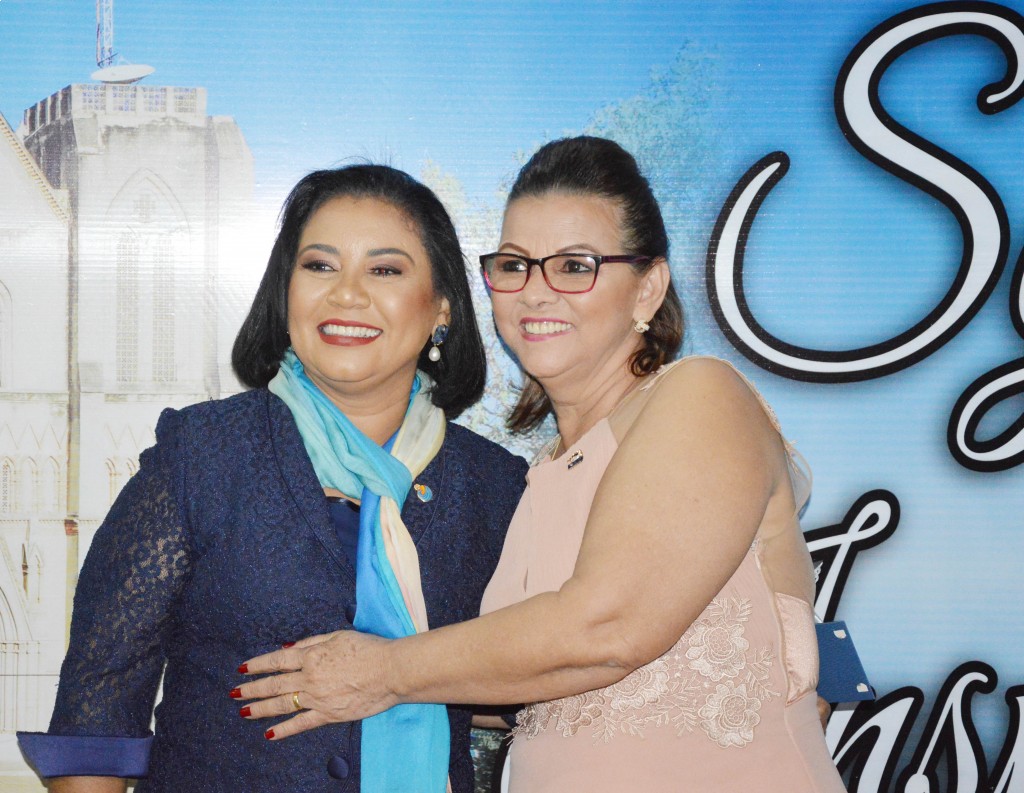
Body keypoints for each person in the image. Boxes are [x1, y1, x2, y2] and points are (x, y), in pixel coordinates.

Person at [236, 137, 847, 792]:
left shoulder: (700, 394)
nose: (536, 292)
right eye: (516, 265)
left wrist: (382, 670)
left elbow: (607, 627)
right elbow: (508, 680)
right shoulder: (531, 478)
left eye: (575, 266)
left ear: (648, 288)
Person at [17, 165, 528, 792]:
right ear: (286, 293)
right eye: (320, 265)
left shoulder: (495, 487)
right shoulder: (202, 455)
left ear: (441, 309)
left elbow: (529, 679)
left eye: (385, 270)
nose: (346, 294)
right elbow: (98, 705)